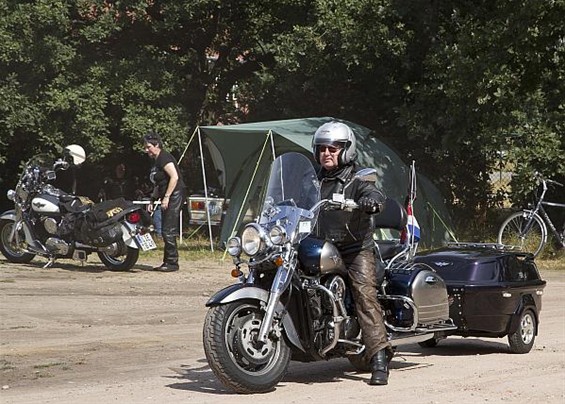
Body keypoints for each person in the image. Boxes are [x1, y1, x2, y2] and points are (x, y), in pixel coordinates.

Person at [312, 121, 393, 385]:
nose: (327, 153)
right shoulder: (312, 178)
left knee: (364, 294)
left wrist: (372, 202)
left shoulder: (358, 178)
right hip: (319, 245)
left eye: (333, 148)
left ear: (346, 150)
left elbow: (374, 192)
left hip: (353, 248)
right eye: (322, 148)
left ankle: (379, 358)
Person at [143, 131, 186, 272]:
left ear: (156, 145)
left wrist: (167, 197)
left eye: (148, 146)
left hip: (175, 194)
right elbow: (159, 184)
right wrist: (152, 199)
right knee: (165, 229)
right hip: (166, 194)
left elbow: (174, 177)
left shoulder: (164, 157)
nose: (146, 150)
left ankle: (172, 262)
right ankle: (167, 261)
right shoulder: (156, 161)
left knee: (168, 229)